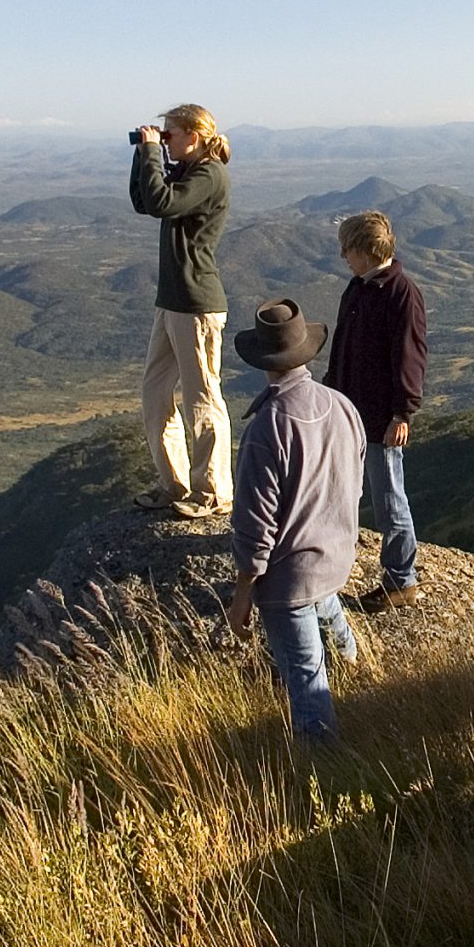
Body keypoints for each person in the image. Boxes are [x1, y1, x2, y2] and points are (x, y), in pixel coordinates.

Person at [225, 299, 364, 739]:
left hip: (289, 581)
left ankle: (324, 774)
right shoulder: (342, 406)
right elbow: (353, 481)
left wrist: (243, 591)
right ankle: (361, 673)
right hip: (336, 560)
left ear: (263, 361)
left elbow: (255, 523)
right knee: (332, 626)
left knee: (307, 686)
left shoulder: (267, 428)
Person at [128, 104, 233, 516]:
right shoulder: (189, 172)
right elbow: (143, 200)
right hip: (171, 302)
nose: (165, 140)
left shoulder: (209, 175)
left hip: (197, 305)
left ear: (194, 135)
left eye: (169, 134)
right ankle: (174, 484)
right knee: (155, 395)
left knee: (202, 399)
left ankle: (212, 492)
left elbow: (161, 203)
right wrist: (143, 154)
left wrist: (153, 153)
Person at [324, 209, 427, 610]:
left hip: (381, 417)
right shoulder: (359, 287)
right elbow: (342, 350)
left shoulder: (402, 294)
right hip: (348, 411)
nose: (343, 257)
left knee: (389, 498)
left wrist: (403, 413)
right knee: (343, 490)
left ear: (366, 251)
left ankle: (402, 578)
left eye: (347, 249)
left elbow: (410, 357)